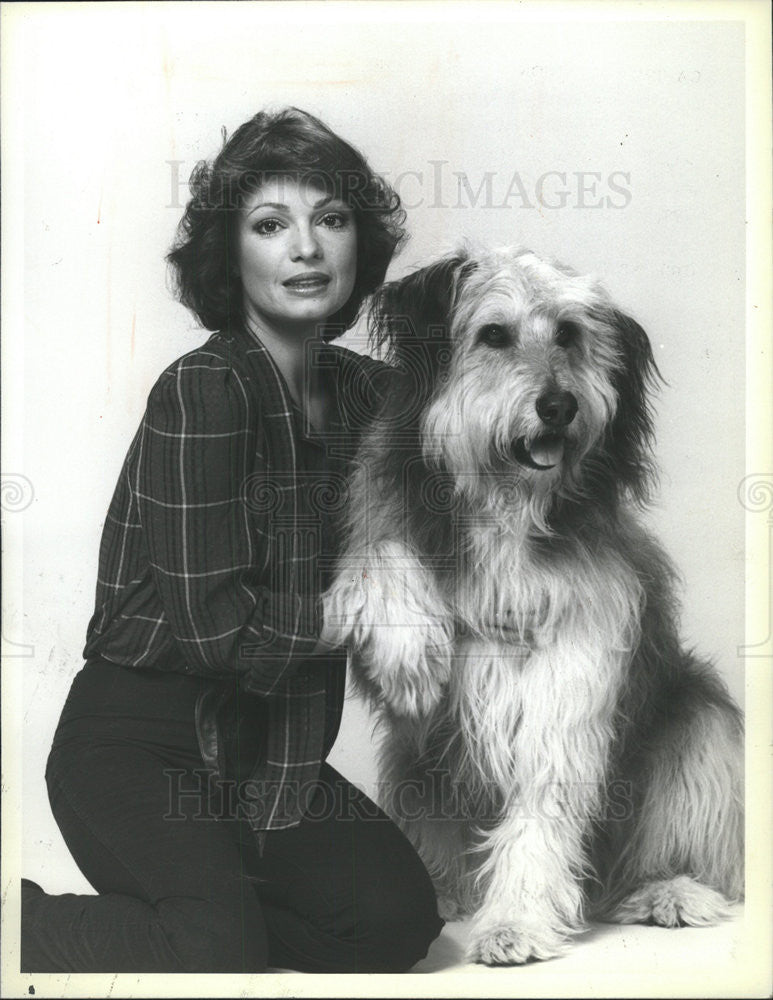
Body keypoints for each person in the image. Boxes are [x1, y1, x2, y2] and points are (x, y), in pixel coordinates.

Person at [21, 107, 444, 974]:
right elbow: (217, 630)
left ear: (358, 243)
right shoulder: (206, 389)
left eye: (330, 220)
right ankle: (47, 924)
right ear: (231, 254)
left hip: (265, 750)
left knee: (397, 927)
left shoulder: (367, 395)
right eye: (270, 225)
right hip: (136, 740)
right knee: (216, 947)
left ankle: (198, 906)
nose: (307, 249)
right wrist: (362, 612)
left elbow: (475, 434)